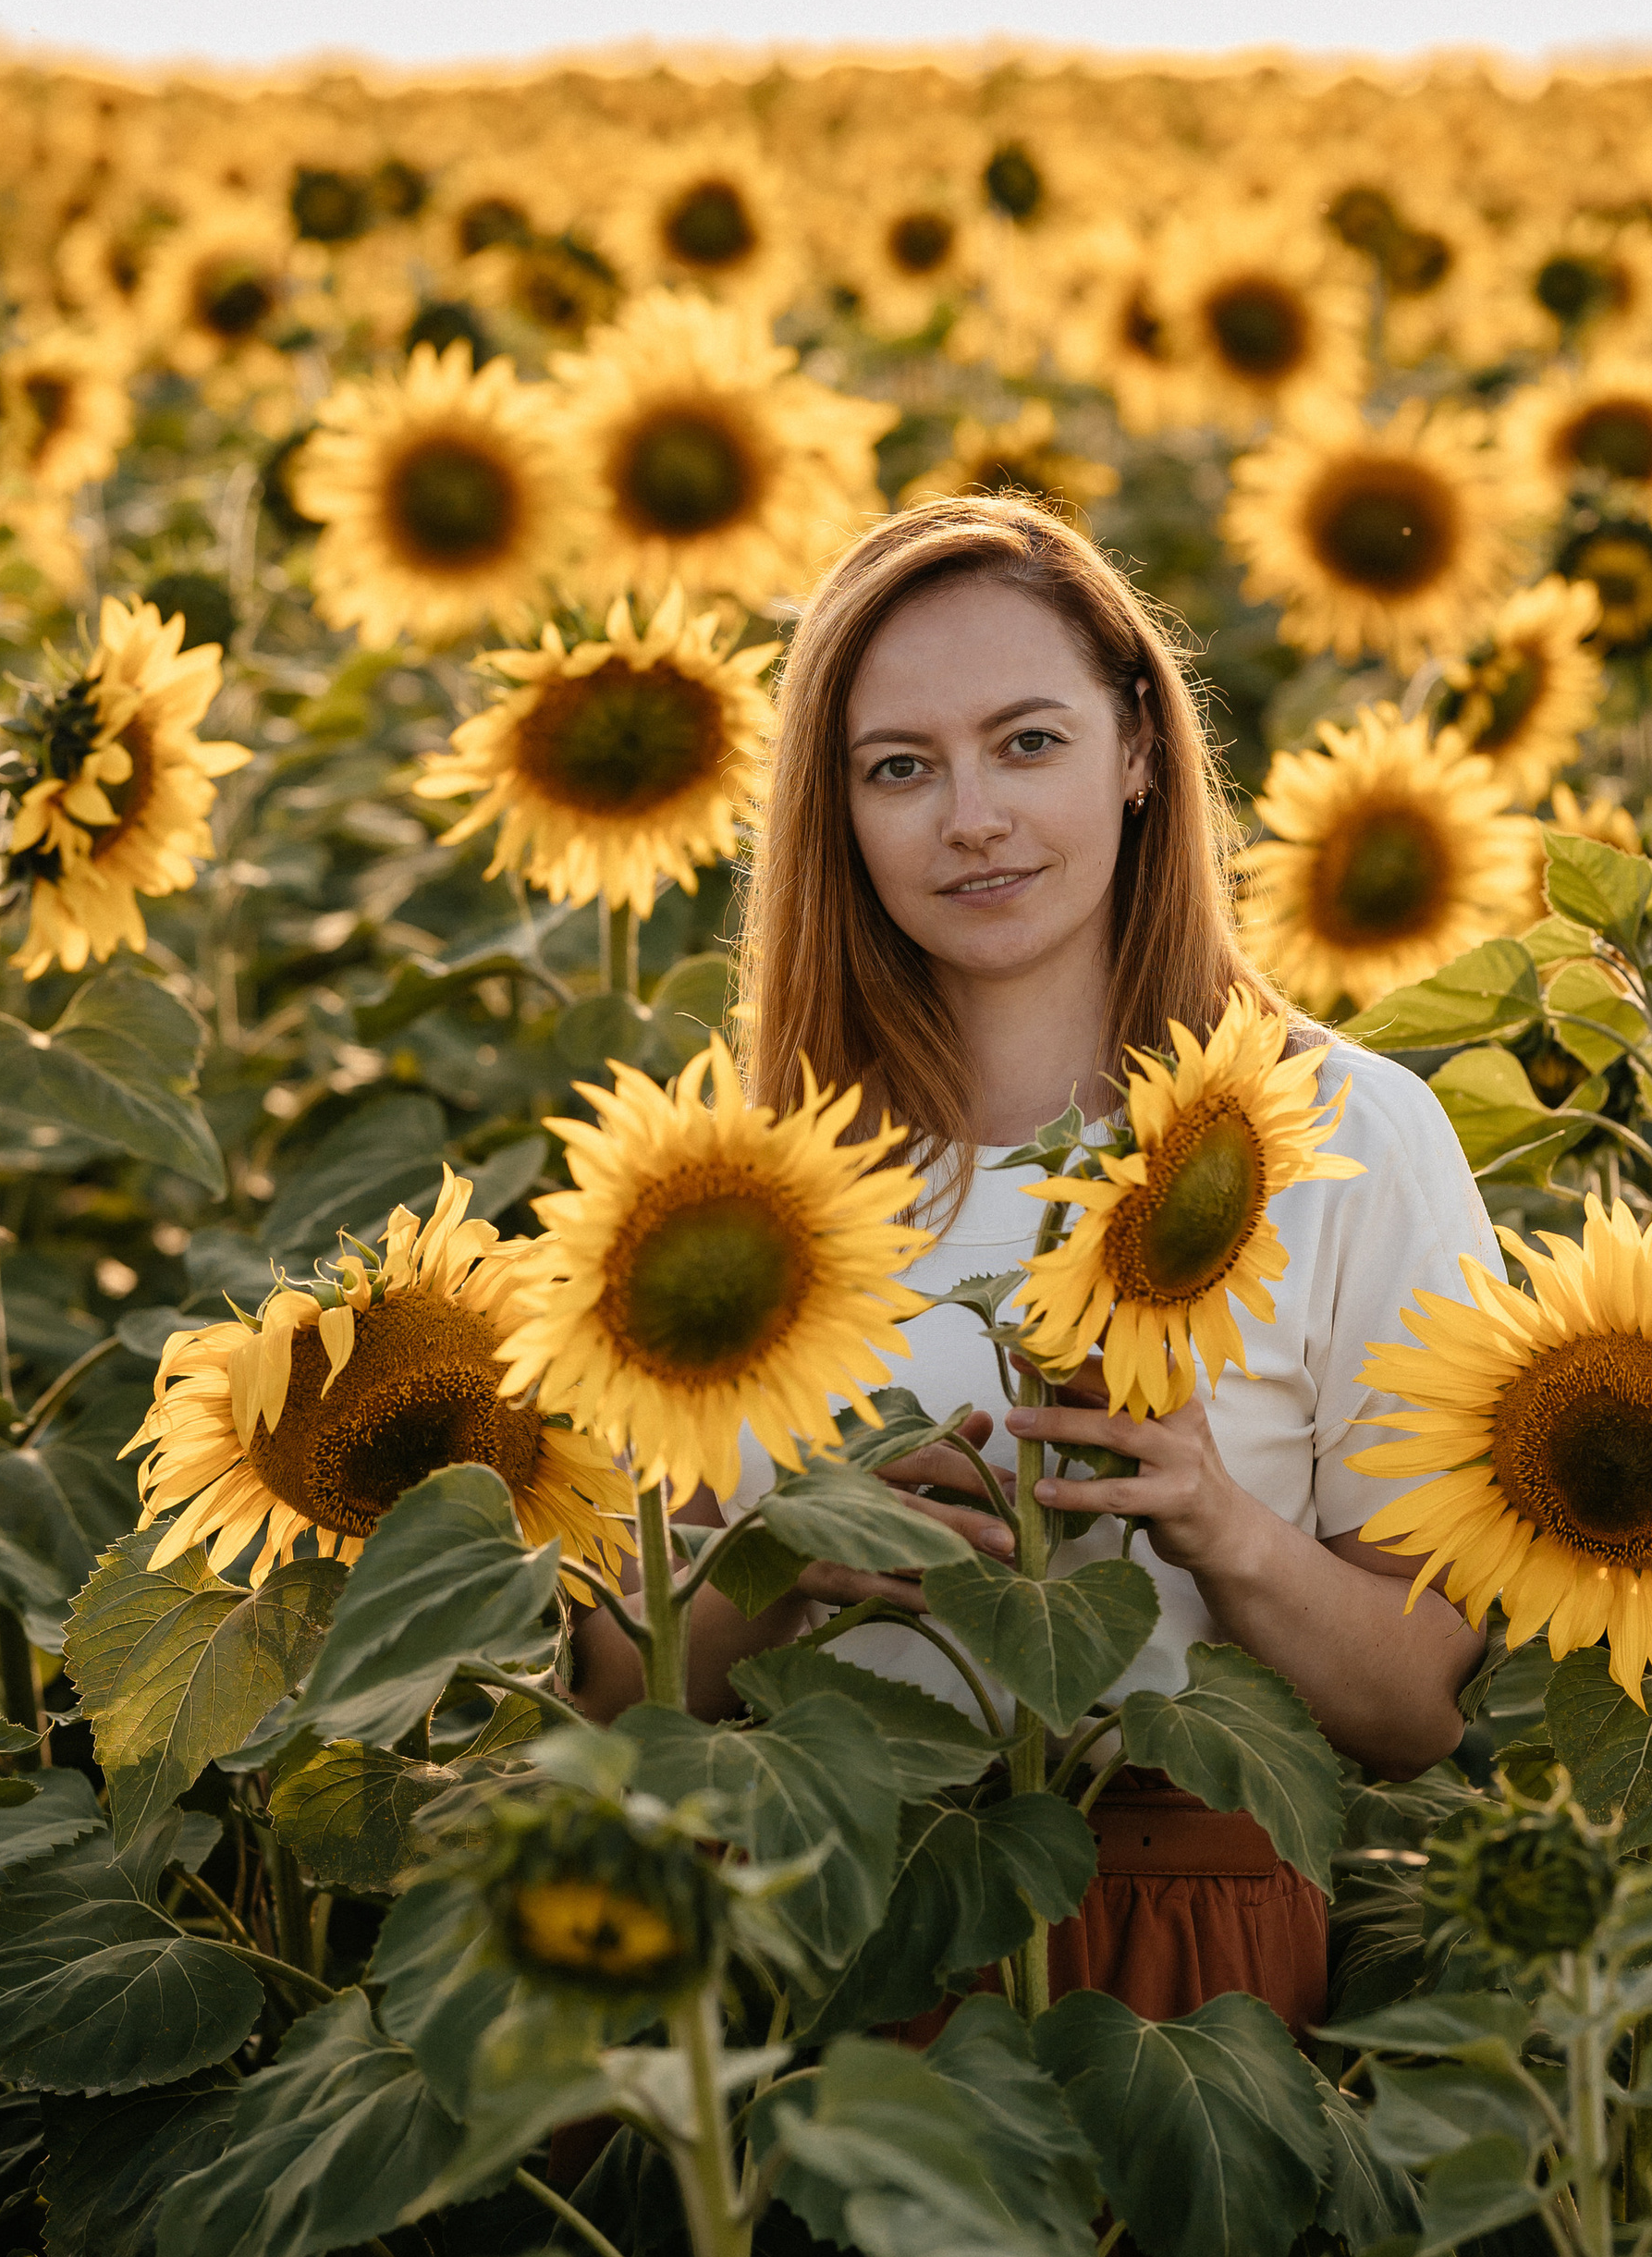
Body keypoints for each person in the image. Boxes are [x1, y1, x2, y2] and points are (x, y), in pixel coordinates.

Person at [572, 496, 1488, 2037]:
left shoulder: (1342, 1135)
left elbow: (1415, 1707)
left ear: (1139, 749)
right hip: (803, 1942)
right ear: (835, 813)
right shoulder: (736, 1190)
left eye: (1028, 743)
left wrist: (1214, 1520)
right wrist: (791, 1565)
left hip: (1176, 1960)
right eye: (900, 768)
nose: (972, 818)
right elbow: (618, 1692)